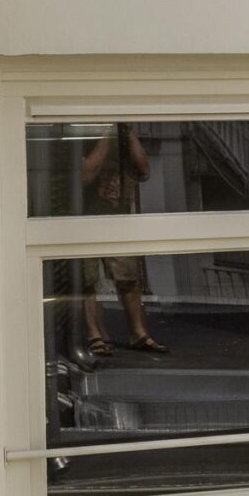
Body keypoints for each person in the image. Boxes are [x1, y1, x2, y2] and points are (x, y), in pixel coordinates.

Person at [79, 124, 170, 357]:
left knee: (129, 277)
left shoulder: (123, 137)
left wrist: (127, 131)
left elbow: (143, 170)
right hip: (84, 216)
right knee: (86, 280)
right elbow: (86, 173)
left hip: (116, 217)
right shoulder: (81, 137)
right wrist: (106, 135)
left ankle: (138, 333)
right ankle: (94, 333)